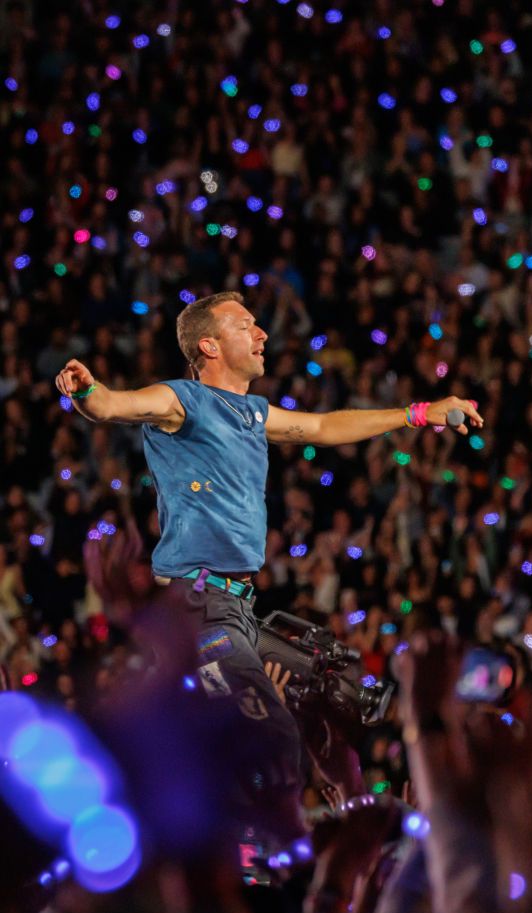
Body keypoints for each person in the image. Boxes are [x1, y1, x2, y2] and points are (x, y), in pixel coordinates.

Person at [54, 290, 483, 839]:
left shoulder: (254, 413)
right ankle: (245, 868)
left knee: (331, 701)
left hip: (236, 609)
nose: (262, 335)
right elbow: (113, 406)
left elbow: (326, 427)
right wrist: (86, 390)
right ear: (208, 344)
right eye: (246, 326)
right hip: (196, 607)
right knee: (273, 735)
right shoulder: (181, 399)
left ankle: (304, 833)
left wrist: (419, 414)